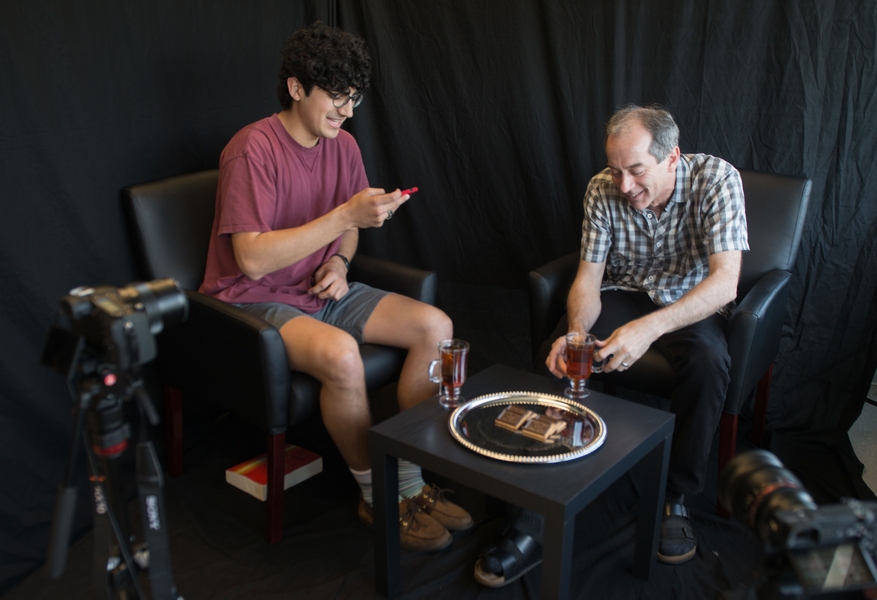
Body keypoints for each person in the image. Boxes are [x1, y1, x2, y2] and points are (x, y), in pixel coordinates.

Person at [199, 22, 472, 552]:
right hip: (251, 301)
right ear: (298, 88)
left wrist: (343, 264)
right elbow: (251, 260)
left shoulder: (343, 144)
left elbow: (347, 231)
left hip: (320, 288)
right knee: (344, 357)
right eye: (338, 97)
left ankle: (410, 482)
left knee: (435, 325)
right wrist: (347, 213)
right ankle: (379, 495)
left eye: (355, 99)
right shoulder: (250, 149)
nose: (348, 111)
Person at [474, 104, 748, 586]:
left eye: (636, 170)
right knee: (558, 356)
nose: (623, 185)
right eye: (616, 170)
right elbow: (588, 279)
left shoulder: (716, 179)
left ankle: (675, 497)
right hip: (625, 292)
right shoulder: (603, 187)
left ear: (671, 157)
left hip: (690, 300)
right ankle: (533, 514)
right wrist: (576, 330)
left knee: (708, 361)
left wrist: (650, 330)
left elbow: (725, 284)